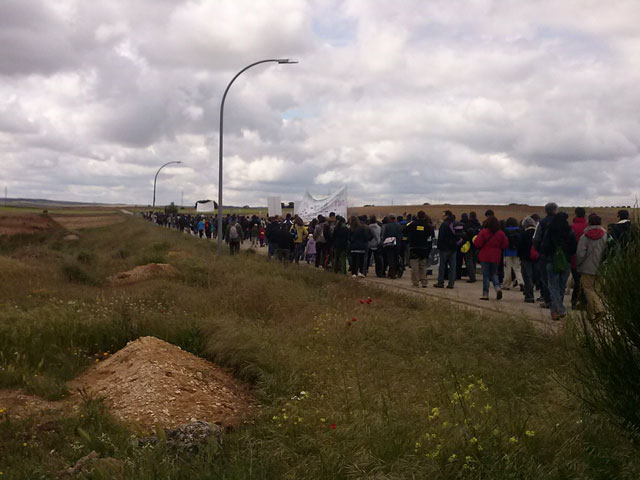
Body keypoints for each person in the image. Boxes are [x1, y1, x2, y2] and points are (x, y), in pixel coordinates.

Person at [539, 211, 577, 320]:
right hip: (566, 262)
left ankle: (558, 310)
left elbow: (544, 246)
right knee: (561, 287)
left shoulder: (550, 230)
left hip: (551, 261)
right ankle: (556, 312)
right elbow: (574, 247)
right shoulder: (569, 231)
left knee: (553, 287)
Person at [576, 214, 608, 318]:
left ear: (589, 222)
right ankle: (591, 314)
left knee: (588, 289)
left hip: (587, 267)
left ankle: (599, 309)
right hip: (602, 266)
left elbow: (580, 253)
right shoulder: (606, 235)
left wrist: (578, 264)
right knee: (597, 291)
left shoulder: (585, 236)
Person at [474, 215, 508, 300]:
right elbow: (505, 244)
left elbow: (477, 243)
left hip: (485, 255)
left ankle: (485, 294)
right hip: (496, 256)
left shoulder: (483, 232)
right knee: (494, 273)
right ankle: (497, 288)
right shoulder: (501, 233)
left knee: (485, 275)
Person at [533, 202, 558, 308]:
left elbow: (536, 239)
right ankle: (557, 301)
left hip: (544, 254)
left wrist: (538, 250)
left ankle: (548, 300)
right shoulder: (561, 222)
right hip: (558, 254)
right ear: (556, 210)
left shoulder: (541, 223)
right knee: (557, 279)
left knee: (545, 278)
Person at [405, 211, 434, 288]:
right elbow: (431, 235)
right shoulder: (428, 226)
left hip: (414, 247)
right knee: (423, 266)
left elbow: (405, 230)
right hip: (424, 248)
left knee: (414, 266)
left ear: (417, 216)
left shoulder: (412, 224)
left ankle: (415, 282)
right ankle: (424, 282)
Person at [434, 211, 460, 288]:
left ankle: (440, 282)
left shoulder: (444, 225)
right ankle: (451, 283)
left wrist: (439, 247)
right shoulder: (456, 224)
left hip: (444, 248)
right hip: (454, 248)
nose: (442, 217)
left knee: (442, 266)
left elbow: (441, 237)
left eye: (443, 215)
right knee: (452, 266)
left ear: (447, 216)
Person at [570, 207, 588, 309]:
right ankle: (583, 301)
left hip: (574, 257)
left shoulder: (572, 227)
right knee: (584, 281)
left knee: (577, 280)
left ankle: (574, 300)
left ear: (576, 214)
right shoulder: (587, 227)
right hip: (587, 258)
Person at [517, 216, 537, 303]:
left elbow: (519, 246)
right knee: (535, 276)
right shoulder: (537, 233)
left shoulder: (523, 234)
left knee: (527, 276)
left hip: (525, 258)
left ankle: (529, 296)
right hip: (536, 257)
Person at [503, 217, 523, 290]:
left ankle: (506, 284)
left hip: (507, 252)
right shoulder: (519, 230)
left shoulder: (505, 231)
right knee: (517, 269)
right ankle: (521, 282)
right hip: (516, 252)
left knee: (507, 269)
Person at [381, 215, 403, 279]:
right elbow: (401, 234)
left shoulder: (386, 226)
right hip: (397, 244)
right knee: (396, 258)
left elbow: (383, 235)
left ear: (389, 219)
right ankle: (394, 271)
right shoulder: (399, 226)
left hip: (389, 243)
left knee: (390, 258)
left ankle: (391, 272)